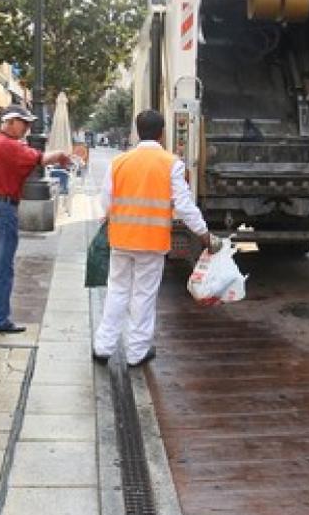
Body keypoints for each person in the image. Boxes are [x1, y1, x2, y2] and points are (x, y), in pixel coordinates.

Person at [92, 110, 217, 367]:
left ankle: (103, 347)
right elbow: (183, 206)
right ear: (161, 133)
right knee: (143, 296)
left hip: (121, 239)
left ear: (137, 132)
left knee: (117, 291)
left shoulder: (119, 162)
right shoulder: (171, 163)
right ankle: (136, 352)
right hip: (151, 242)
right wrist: (204, 234)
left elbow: (104, 202)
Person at [0, 104, 71, 334]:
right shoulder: (11, 146)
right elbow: (42, 159)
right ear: (10, 121)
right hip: (3, 208)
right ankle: (0, 319)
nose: (28, 128)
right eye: (24, 123)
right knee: (3, 267)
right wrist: (60, 154)